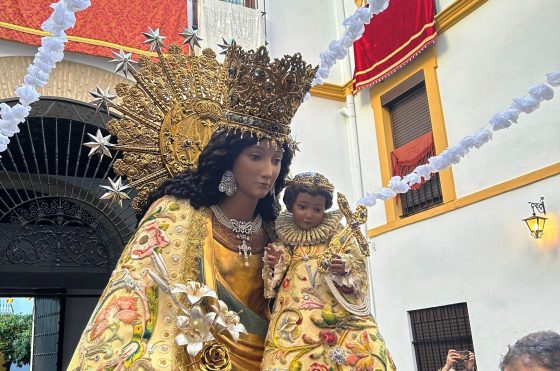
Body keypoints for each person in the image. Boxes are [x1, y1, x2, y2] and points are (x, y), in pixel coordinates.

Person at [68, 41, 317, 370]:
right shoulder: (175, 214)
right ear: (228, 159)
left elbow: (302, 305)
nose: (268, 171)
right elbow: (136, 296)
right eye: (255, 157)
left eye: (276, 159)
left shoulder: (280, 231)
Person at [261, 172, 396, 371]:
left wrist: (344, 265)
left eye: (317, 209)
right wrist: (275, 261)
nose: (309, 215)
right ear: (290, 206)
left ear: (325, 209)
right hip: (295, 309)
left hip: (337, 306)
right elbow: (283, 257)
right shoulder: (285, 233)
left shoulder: (336, 233)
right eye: (302, 207)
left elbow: (356, 261)